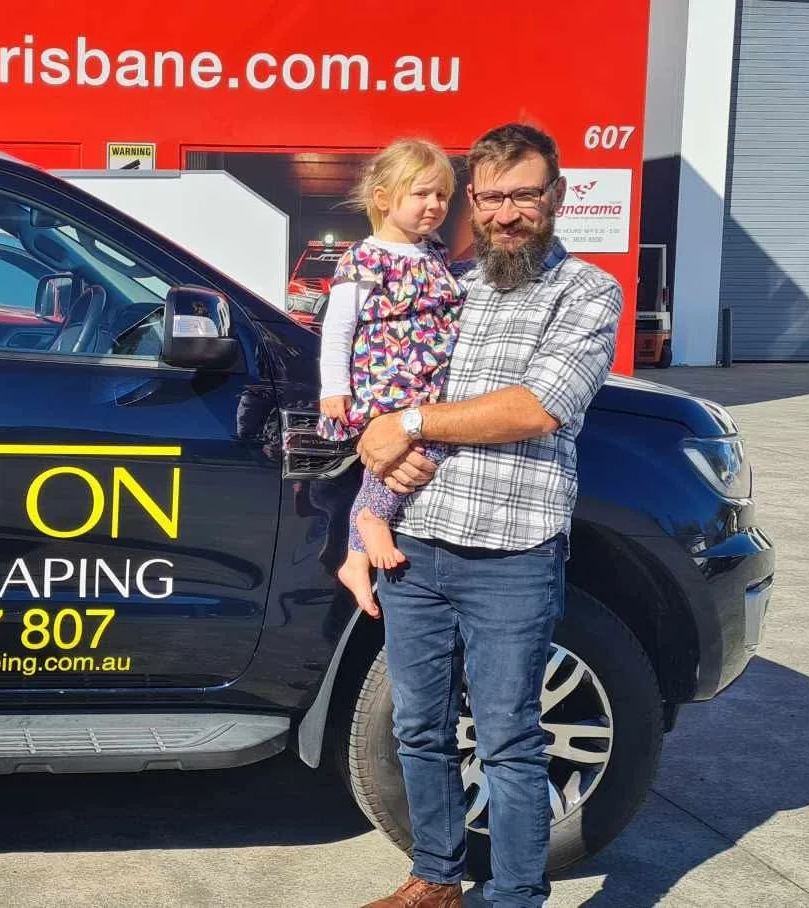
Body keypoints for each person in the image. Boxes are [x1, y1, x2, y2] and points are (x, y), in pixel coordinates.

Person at [355, 123, 624, 908]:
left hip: (512, 553)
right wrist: (371, 494)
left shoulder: (587, 292)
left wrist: (409, 424)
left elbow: (539, 408)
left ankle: (513, 897)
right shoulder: (450, 286)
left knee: (508, 742)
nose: (508, 213)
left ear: (557, 196)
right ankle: (437, 879)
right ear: (473, 199)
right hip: (416, 546)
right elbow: (380, 375)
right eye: (493, 197)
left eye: (525, 195)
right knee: (419, 730)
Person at [313, 139, 465, 616]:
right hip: (387, 379)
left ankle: (356, 559)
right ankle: (373, 516)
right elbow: (338, 327)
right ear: (383, 198)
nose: (435, 205)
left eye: (442, 195)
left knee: (431, 443)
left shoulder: (434, 253)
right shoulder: (365, 258)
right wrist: (333, 387)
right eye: (421, 194)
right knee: (404, 449)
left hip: (429, 383)